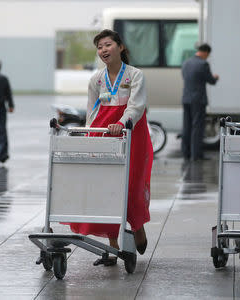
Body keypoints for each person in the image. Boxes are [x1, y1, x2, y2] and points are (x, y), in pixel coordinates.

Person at [67, 29, 153, 265]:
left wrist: (122, 123)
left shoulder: (135, 75)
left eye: (107, 44)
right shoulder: (96, 79)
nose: (103, 50)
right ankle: (114, 249)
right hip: (104, 135)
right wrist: (89, 135)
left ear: (120, 47)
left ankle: (137, 227)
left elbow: (136, 107)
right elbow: (91, 112)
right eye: (99, 47)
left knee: (131, 185)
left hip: (131, 134)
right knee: (104, 188)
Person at [181, 43, 219, 161]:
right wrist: (215, 77)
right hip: (198, 100)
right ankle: (196, 155)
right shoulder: (203, 64)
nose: (207, 57)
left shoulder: (186, 63)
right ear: (205, 52)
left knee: (186, 126)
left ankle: (186, 153)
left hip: (186, 98)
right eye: (208, 55)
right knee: (197, 127)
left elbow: (185, 77)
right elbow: (211, 80)